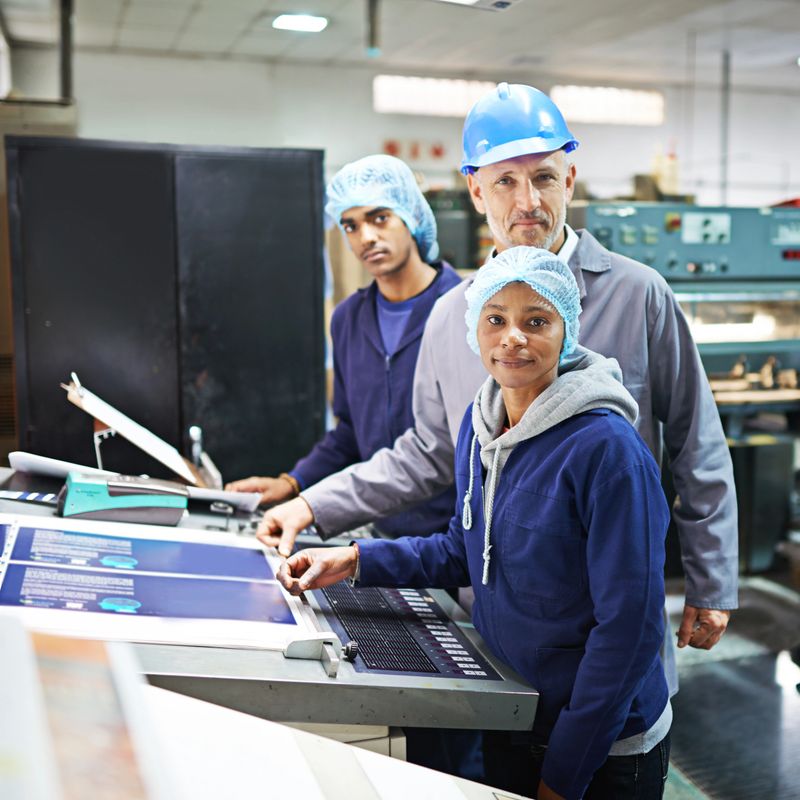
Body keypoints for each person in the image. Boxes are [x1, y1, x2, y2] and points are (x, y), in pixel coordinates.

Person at [259, 83, 738, 669]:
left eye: (543, 177)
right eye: (505, 181)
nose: (527, 201)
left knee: (606, 745)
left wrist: (711, 579)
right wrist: (314, 504)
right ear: (475, 190)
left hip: (614, 620)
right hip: (495, 618)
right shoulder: (449, 318)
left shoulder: (638, 295)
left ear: (570, 176)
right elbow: (427, 452)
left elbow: (698, 442)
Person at [277, 247, 672, 800]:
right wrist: (354, 560)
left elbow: (630, 631)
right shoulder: (481, 422)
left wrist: (563, 773)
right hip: (514, 709)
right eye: (496, 319)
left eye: (536, 321)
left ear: (567, 330)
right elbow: (466, 548)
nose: (513, 336)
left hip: (601, 744)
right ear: (474, 330)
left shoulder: (606, 451)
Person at [227, 154, 461, 538]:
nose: (366, 236)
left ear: (412, 215)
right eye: (351, 226)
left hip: (453, 543)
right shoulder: (349, 319)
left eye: (379, 218)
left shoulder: (466, 310)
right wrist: (292, 482)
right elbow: (352, 433)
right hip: (382, 533)